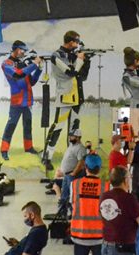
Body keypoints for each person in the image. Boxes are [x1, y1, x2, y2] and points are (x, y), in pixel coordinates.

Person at [43, 30, 92, 170]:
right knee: (57, 127)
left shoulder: (72, 55)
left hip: (77, 97)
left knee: (74, 129)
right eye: (76, 42)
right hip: (65, 97)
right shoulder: (56, 55)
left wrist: (86, 61)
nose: (77, 44)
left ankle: (71, 158)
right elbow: (71, 72)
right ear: (71, 42)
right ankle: (47, 157)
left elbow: (82, 76)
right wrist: (80, 59)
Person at [100, 167, 139, 255]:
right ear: (125, 180)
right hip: (125, 251)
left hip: (106, 249)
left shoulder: (104, 197)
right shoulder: (129, 198)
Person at [70, 154, 108, 255]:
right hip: (99, 237)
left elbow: (71, 204)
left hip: (79, 235)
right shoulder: (105, 186)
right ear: (99, 169)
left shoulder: (75, 185)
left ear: (85, 167)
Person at [1, 40, 43, 160]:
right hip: (17, 101)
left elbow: (32, 82)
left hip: (27, 100)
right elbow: (18, 75)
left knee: (28, 125)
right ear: (17, 49)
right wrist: (34, 64)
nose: (24, 53)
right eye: (22, 50)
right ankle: (4, 150)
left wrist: (39, 69)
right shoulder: (6, 63)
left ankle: (29, 148)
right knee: (11, 126)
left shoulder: (23, 63)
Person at [56, 129, 88, 216]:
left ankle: (74, 213)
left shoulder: (80, 148)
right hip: (67, 175)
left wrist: (74, 173)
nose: (70, 137)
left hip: (73, 176)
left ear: (78, 137)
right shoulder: (72, 146)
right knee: (64, 194)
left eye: (72, 136)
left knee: (72, 195)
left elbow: (81, 162)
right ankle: (62, 212)